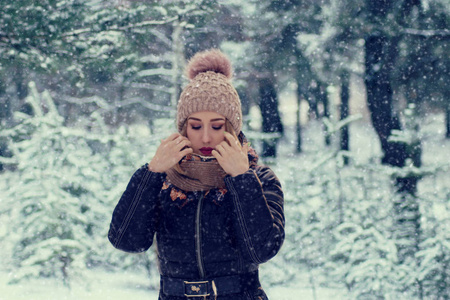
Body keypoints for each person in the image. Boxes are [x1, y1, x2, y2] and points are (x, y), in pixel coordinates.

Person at [108, 49, 285, 300]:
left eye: (216, 126)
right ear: (183, 128)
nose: (205, 137)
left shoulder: (260, 178)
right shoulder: (164, 181)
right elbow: (126, 241)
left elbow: (263, 250)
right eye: (195, 126)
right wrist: (152, 173)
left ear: (232, 128)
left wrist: (241, 179)